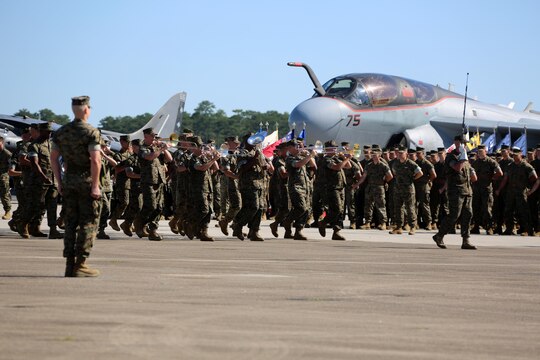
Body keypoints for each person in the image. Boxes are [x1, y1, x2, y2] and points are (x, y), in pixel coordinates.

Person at [51, 96, 102, 277]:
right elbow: (96, 161)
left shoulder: (61, 132)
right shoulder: (91, 132)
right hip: (86, 181)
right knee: (88, 223)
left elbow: (54, 158)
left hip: (69, 181)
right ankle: (80, 264)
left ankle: (69, 263)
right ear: (87, 109)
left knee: (71, 222)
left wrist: (59, 182)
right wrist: (95, 186)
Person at [432, 143, 477, 250]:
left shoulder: (466, 162)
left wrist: (470, 170)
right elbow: (457, 168)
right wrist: (463, 160)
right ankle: (439, 235)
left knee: (468, 215)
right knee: (454, 215)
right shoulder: (451, 159)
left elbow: (474, 178)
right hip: (456, 192)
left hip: (467, 192)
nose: (464, 148)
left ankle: (466, 240)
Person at [134, 127, 173, 240]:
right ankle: (140, 222)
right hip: (148, 181)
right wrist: (160, 149)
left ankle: (153, 231)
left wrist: (164, 149)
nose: (155, 138)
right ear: (146, 136)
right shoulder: (143, 148)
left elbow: (170, 159)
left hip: (160, 180)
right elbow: (150, 157)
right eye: (153, 136)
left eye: (156, 136)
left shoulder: (157, 148)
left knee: (159, 207)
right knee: (150, 206)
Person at [496, 147, 538, 236]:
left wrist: (528, 186)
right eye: (514, 155)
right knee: (508, 211)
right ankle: (509, 229)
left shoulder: (526, 166)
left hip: (521, 192)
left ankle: (528, 230)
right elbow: (505, 179)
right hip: (511, 192)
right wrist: (499, 189)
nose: (515, 157)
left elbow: (534, 177)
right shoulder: (510, 166)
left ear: (520, 154)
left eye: (516, 155)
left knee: (523, 211)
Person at [282, 139, 316, 240]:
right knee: (301, 208)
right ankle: (287, 222)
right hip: (295, 187)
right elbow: (297, 165)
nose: (298, 148)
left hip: (305, 187)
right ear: (289, 148)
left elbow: (314, 166)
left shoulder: (302, 157)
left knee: (306, 210)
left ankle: (298, 231)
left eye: (299, 146)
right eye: (296, 146)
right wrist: (309, 156)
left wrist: (309, 156)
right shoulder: (289, 158)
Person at [318, 140, 351, 240]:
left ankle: (336, 232)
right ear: (328, 149)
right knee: (336, 209)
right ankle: (323, 222)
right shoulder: (326, 159)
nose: (336, 149)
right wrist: (346, 159)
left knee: (340, 211)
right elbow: (337, 168)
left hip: (340, 187)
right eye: (333, 148)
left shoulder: (335, 158)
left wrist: (344, 157)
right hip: (332, 188)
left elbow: (348, 166)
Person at [355, 146, 393, 230]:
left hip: (379, 188)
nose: (373, 156)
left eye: (375, 155)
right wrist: (357, 184)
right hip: (370, 187)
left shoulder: (383, 165)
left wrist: (384, 182)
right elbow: (363, 177)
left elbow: (390, 176)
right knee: (368, 206)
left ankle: (383, 223)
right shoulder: (369, 165)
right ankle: (367, 223)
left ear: (379, 156)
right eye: (372, 154)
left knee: (381, 206)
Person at [389, 146, 423, 235]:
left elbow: (420, 173)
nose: (400, 155)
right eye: (399, 153)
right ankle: (399, 227)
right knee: (398, 208)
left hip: (408, 189)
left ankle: (412, 227)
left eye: (402, 153)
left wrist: (413, 179)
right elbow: (394, 173)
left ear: (406, 154)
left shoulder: (411, 164)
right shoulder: (395, 163)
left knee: (410, 208)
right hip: (398, 189)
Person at [471, 144, 502, 235]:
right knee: (476, 208)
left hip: (486, 189)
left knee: (487, 209)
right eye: (479, 151)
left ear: (486, 151)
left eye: (482, 151)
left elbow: (500, 173)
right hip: (476, 189)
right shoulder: (475, 163)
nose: (480, 152)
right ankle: (476, 227)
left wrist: (492, 178)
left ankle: (489, 227)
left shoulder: (491, 162)